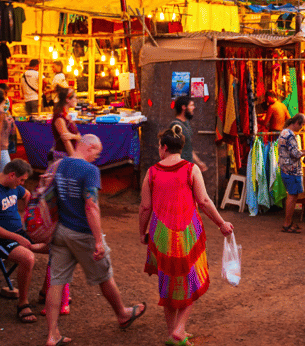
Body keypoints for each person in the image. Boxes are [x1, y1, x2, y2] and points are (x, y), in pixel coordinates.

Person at [45, 135, 147, 346]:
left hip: (62, 230)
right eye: (97, 153)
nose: (97, 158)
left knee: (56, 282)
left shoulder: (60, 165)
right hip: (83, 234)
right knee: (104, 275)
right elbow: (91, 206)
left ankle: (52, 334)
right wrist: (98, 240)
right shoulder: (89, 171)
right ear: (89, 147)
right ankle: (122, 314)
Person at [139, 129, 234, 346]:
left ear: (164, 147)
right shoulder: (191, 169)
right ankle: (179, 331)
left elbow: (145, 207)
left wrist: (142, 232)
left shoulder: (152, 172)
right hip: (187, 234)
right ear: (180, 148)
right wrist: (221, 223)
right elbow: (204, 201)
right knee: (193, 280)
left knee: (167, 283)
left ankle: (174, 332)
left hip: (160, 234)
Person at [0, 159, 48, 324]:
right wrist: (17, 237)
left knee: (57, 247)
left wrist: (29, 217)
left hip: (17, 233)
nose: (22, 184)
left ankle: (45, 292)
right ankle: (22, 304)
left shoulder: (13, 186)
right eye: (21, 180)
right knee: (27, 258)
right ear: (12, 175)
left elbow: (27, 194)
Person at [278, 113, 305, 233]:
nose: (303, 127)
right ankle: (287, 223)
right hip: (291, 170)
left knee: (292, 196)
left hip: (286, 168)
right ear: (297, 123)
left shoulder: (284, 132)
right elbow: (295, 154)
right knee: (292, 196)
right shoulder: (290, 135)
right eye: (303, 124)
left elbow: (293, 151)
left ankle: (288, 222)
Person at [168, 96, 207, 173]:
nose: (194, 107)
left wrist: (199, 162)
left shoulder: (186, 124)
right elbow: (173, 151)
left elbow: (188, 148)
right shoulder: (176, 126)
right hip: (179, 169)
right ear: (184, 107)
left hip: (188, 167)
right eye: (191, 105)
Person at [51, 87, 81, 160]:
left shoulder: (67, 116)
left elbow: (79, 136)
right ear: (67, 99)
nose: (76, 100)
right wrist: (74, 159)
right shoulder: (59, 118)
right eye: (75, 97)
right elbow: (66, 141)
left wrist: (72, 136)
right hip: (64, 157)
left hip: (70, 155)